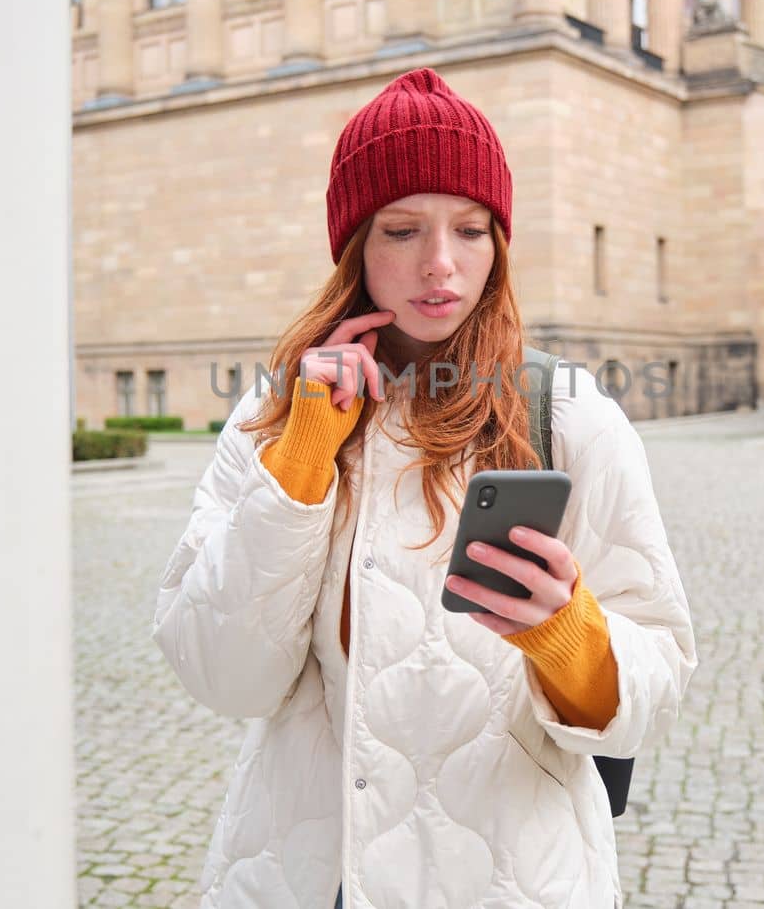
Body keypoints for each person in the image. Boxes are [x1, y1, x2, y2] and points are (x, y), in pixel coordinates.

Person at [151, 66, 697, 908]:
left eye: (471, 229)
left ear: (499, 243)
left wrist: (567, 634)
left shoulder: (573, 417)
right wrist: (302, 461)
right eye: (402, 230)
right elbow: (225, 678)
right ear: (355, 245)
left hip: (512, 880)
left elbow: (655, 681)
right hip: (307, 878)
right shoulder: (275, 414)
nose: (440, 265)